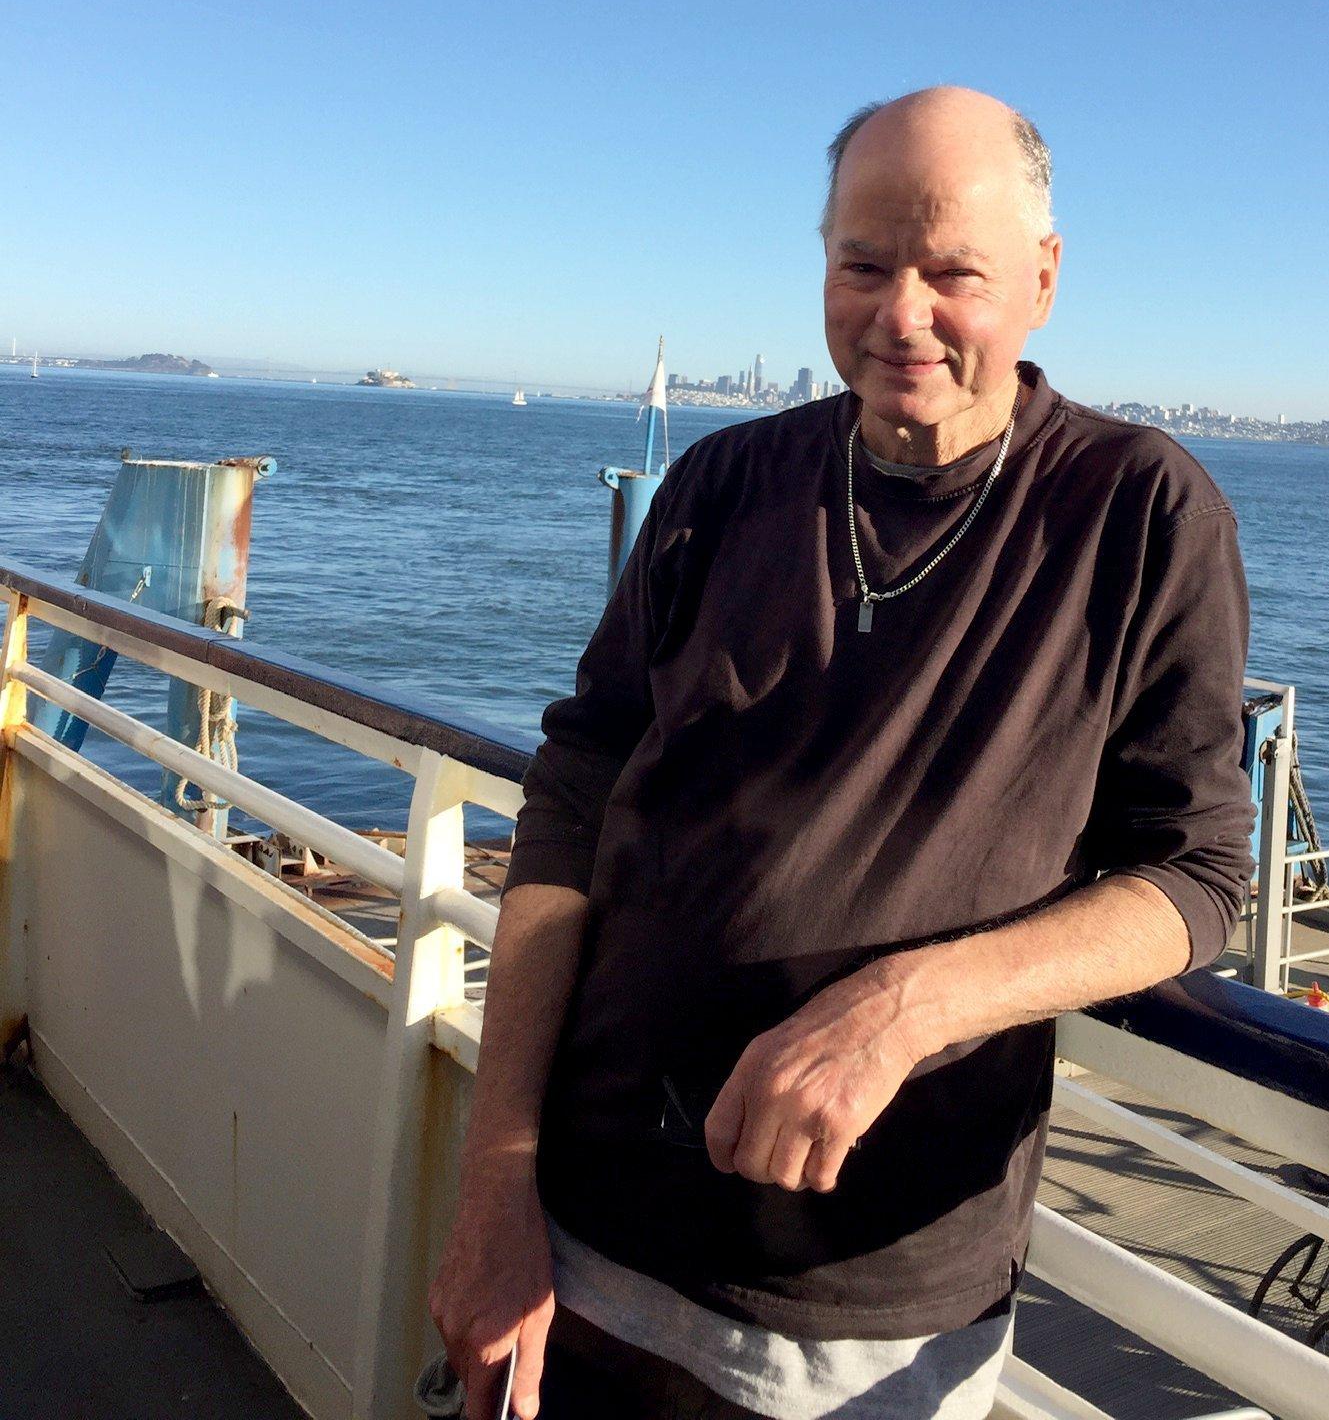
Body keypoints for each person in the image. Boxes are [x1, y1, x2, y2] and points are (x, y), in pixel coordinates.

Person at [431, 87, 1255, 1420]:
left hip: (862, 1306)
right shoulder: (721, 485)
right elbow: (576, 797)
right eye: (863, 264)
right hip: (583, 1235)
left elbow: (1202, 873)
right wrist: (494, 1188)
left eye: (954, 273)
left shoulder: (1140, 511)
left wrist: (905, 1008)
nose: (900, 314)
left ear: (1042, 281)